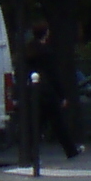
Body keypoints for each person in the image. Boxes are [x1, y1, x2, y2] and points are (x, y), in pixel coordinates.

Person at [25, 25, 80, 160]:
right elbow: (54, 75)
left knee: (36, 124)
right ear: (46, 34)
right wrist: (62, 96)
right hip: (47, 93)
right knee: (58, 122)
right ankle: (71, 150)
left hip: (33, 91)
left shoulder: (29, 51)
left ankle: (29, 153)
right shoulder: (46, 52)